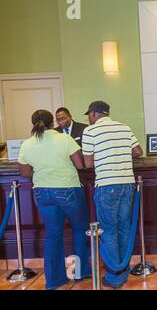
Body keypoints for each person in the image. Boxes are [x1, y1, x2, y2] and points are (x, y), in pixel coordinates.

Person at [18, 110, 90, 290]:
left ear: (33, 123)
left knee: (52, 235)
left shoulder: (27, 144)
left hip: (42, 192)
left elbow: (25, 172)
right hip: (67, 189)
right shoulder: (64, 139)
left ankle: (54, 280)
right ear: (53, 123)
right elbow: (80, 165)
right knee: (80, 230)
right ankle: (80, 273)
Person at [82, 101, 143, 289]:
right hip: (127, 184)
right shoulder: (124, 128)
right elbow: (138, 152)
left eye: (89, 115)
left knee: (108, 230)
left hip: (107, 185)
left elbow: (88, 163)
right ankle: (123, 270)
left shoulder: (90, 131)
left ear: (93, 114)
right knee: (124, 227)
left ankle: (115, 276)